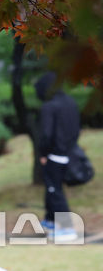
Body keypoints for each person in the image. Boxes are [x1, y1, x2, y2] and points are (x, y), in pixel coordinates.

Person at [35, 71, 80, 241]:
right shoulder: (70, 103)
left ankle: (66, 229)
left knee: (55, 190)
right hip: (69, 153)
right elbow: (76, 129)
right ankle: (50, 220)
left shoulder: (49, 106)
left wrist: (44, 153)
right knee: (52, 188)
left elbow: (46, 134)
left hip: (55, 155)